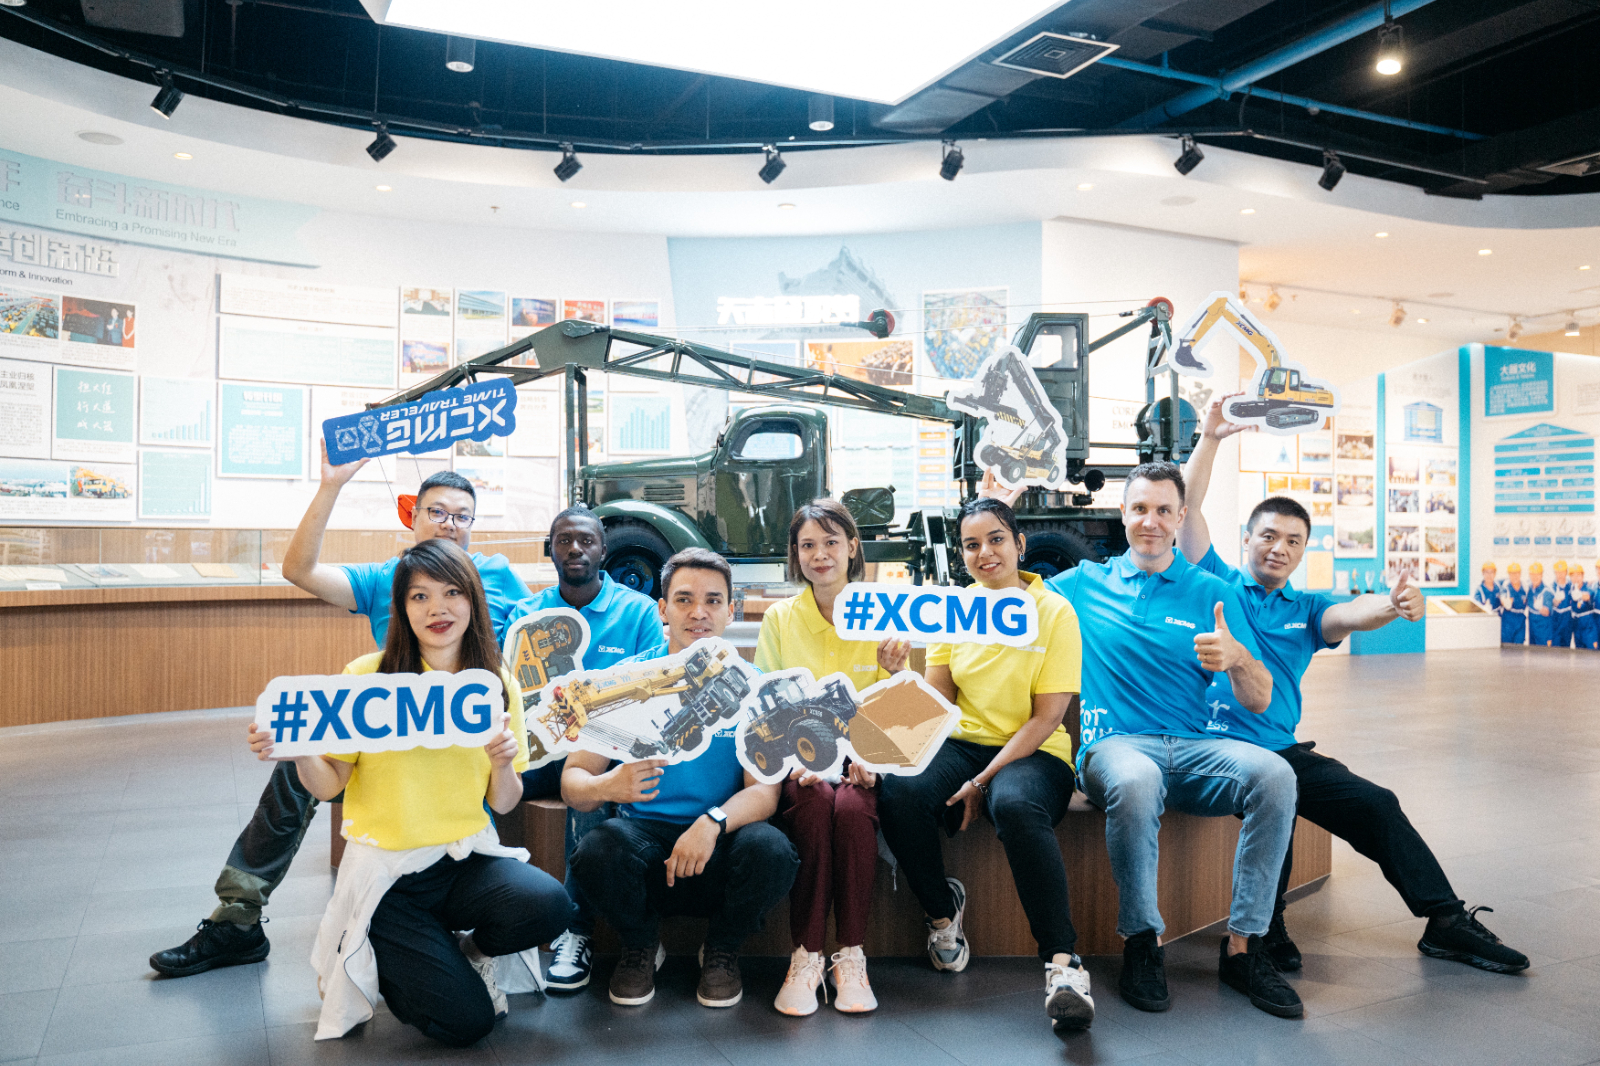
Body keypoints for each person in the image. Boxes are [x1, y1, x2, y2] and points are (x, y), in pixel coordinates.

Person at [1181, 400, 1529, 977]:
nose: (1279, 548)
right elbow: (1189, 509)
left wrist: (1392, 605)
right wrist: (1210, 438)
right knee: (1276, 801)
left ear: (1303, 550)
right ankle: (1266, 927)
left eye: (1293, 541)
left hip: (1281, 748)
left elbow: (1351, 613)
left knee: (1376, 803)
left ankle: (1445, 921)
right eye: (1269, 536)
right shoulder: (1214, 581)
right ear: (1247, 538)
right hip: (1217, 749)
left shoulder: (1306, 608)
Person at [150, 453, 532, 977]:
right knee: (297, 763)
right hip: (388, 743)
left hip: (468, 745)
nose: (449, 523)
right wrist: (331, 485)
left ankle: (483, 922)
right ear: (411, 516)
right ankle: (237, 917)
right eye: (437, 512)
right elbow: (298, 570)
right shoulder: (385, 577)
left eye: (462, 515)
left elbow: (543, 634)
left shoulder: (499, 575)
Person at [250, 539, 570, 1045]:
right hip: (390, 880)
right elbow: (331, 784)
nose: (437, 609)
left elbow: (504, 802)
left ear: (473, 599)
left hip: (463, 859)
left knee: (551, 904)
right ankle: (393, 954)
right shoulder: (366, 678)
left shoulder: (495, 682)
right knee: (468, 1023)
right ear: (401, 607)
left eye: (451, 592)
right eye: (420, 596)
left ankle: (468, 953)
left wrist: (502, 763)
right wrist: (299, 750)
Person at [1047, 462, 1303, 1020]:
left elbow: (1260, 698)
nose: (1151, 521)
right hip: (1114, 747)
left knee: (1277, 775)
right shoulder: (1082, 585)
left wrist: (1238, 659)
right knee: (1138, 780)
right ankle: (1143, 941)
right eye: (1140, 508)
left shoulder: (1213, 592)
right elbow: (1002, 609)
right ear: (1123, 513)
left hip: (1192, 746)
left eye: (1164, 510)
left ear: (1181, 516)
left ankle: (1244, 947)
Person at [879, 497, 1097, 1032]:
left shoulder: (1054, 613)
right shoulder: (957, 611)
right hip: (963, 743)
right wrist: (897, 676)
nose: (985, 553)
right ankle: (941, 914)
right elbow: (938, 702)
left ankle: (1064, 965)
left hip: (1035, 751)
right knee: (899, 791)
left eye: (996, 539)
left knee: (1015, 804)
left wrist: (982, 780)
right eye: (971, 544)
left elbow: (1047, 718)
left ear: (1019, 544)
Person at [565, 548, 799, 1009]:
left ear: (730, 611)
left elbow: (763, 793)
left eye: (713, 601)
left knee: (772, 850)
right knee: (596, 851)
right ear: (662, 609)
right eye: (685, 599)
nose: (699, 613)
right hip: (645, 851)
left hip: (719, 845)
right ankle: (640, 944)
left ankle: (722, 949)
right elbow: (574, 780)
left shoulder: (754, 685)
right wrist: (607, 786)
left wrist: (712, 823)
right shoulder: (625, 679)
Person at [756, 499, 909, 1016]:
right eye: (808, 545)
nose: (820, 554)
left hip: (864, 761)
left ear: (853, 547)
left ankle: (851, 955)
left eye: (831, 542)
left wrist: (894, 676)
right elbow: (767, 703)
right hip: (798, 762)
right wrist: (792, 758)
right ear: (795, 554)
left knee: (851, 808)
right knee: (817, 801)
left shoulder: (883, 613)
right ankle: (805, 955)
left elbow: (899, 709)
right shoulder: (780, 618)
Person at [513, 504, 664, 991]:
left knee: (591, 788)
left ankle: (575, 931)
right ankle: (476, 919)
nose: (575, 549)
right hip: (539, 748)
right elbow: (510, 690)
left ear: (603, 549)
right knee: (477, 781)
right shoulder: (526, 615)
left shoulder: (639, 611)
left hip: (605, 748)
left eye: (586, 540)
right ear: (550, 549)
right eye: (564, 540)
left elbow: (648, 691)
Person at [1499, 563, 1529, 645]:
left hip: (1520, 621)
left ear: (1520, 574)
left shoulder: (1525, 587)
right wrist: (1506, 602)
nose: (1514, 576)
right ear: (1509, 575)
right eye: (1512, 574)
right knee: (1507, 647)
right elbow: (1503, 599)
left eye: (1516, 573)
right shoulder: (1506, 586)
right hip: (1508, 620)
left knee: (1519, 647)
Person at [1527, 562, 1554, 646]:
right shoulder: (1529, 588)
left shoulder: (1546, 591)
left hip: (1543, 631)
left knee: (1543, 653)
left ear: (1542, 575)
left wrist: (1540, 608)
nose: (1535, 577)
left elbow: (1547, 612)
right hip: (1532, 630)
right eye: (1533, 574)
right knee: (1532, 652)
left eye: (1537, 574)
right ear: (1529, 575)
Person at [1574, 563, 1598, 651]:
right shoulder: (1570, 589)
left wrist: (1579, 594)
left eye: (1578, 575)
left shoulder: (1589, 588)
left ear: (1583, 576)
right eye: (1573, 576)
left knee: (1592, 654)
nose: (1576, 578)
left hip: (1589, 629)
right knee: (1579, 654)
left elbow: (1588, 596)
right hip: (1577, 628)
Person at [1551, 560, 1575, 648]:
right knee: (1555, 646)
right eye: (1558, 572)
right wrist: (1553, 603)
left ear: (1566, 572)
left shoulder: (1571, 585)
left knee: (1566, 646)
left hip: (1567, 619)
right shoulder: (1551, 587)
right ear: (1555, 573)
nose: (1560, 574)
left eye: (1562, 572)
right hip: (1555, 620)